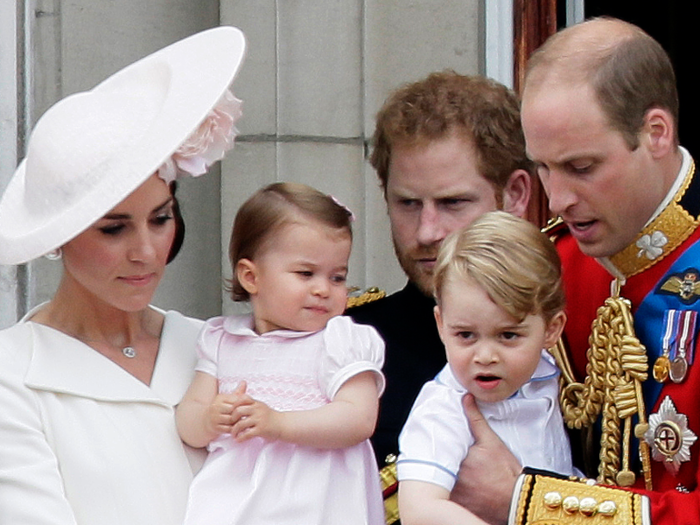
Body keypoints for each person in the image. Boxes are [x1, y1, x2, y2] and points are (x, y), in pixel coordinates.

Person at [0, 26, 245, 525]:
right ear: (58, 235)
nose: (146, 252)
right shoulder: (12, 377)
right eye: (113, 229)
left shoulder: (215, 344)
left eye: (161, 218)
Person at [460, 17, 700, 525]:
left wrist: (535, 506)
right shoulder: (550, 262)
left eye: (582, 168)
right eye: (544, 167)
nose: (560, 198)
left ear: (656, 133)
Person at [347, 71, 533, 476]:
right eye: (408, 203)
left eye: (452, 203)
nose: (428, 231)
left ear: (516, 195)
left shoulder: (570, 343)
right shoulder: (345, 343)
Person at [176, 182, 386, 525]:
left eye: (337, 277)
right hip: (237, 504)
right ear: (251, 277)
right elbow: (188, 421)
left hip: (321, 506)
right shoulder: (221, 339)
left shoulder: (341, 340)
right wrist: (210, 419)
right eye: (306, 273)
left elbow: (359, 418)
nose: (323, 289)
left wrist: (279, 423)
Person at [397, 212, 572, 525]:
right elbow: (419, 510)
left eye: (508, 335)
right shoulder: (444, 409)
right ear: (441, 324)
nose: (486, 356)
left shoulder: (548, 375)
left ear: (551, 329)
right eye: (466, 335)